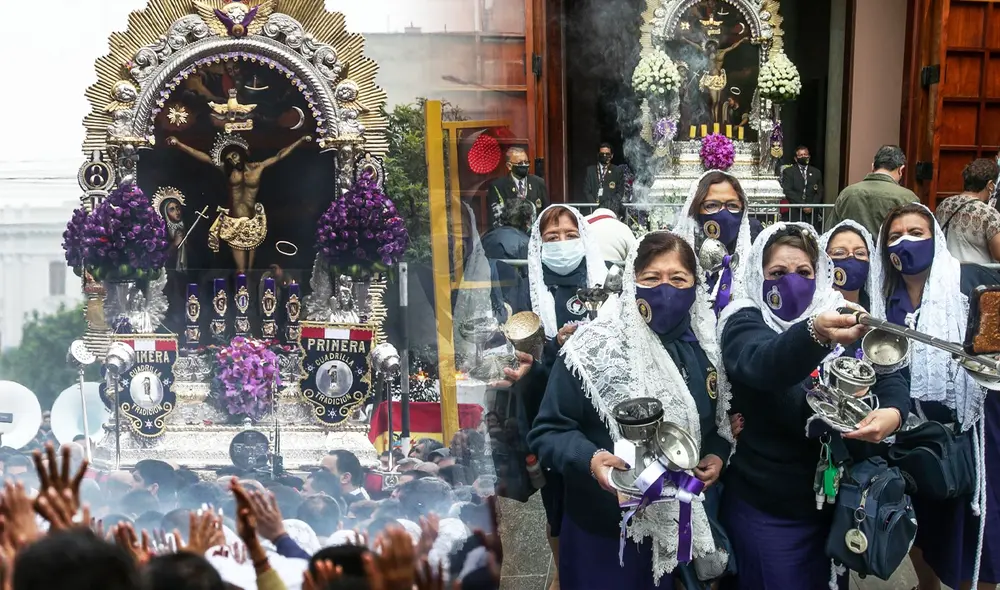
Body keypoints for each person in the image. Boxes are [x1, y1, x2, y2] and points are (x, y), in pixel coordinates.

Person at [528, 231, 734, 589]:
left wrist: (716, 454)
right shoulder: (591, 349)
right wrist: (591, 459)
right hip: (606, 537)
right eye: (651, 278)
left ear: (695, 287)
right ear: (631, 282)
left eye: (678, 279)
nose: (665, 289)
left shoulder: (704, 349)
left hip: (682, 532)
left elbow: (715, 425)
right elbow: (549, 431)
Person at [718, 222, 910, 589]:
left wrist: (893, 412)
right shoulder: (744, 319)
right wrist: (815, 333)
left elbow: (888, 370)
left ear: (819, 274)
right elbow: (765, 363)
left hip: (837, 504)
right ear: (757, 275)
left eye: (804, 272)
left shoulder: (839, 312)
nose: (792, 281)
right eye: (778, 273)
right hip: (772, 509)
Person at [876, 203, 998, 590]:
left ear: (936, 239)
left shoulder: (970, 281)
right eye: (895, 236)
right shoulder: (884, 299)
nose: (905, 242)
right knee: (922, 518)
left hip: (977, 425)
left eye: (916, 233)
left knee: (979, 520)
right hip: (914, 431)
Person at [507, 204, 607, 589]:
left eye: (570, 235)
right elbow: (517, 352)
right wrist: (553, 348)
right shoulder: (527, 288)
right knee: (555, 498)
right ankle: (563, 573)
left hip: (596, 407)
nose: (562, 243)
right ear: (539, 244)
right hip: (546, 406)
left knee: (595, 486)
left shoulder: (603, 280)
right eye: (552, 237)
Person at [166, 133, 313, 273]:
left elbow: (279, 156)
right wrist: (179, 144)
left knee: (250, 270)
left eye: (235, 155)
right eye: (229, 159)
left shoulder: (258, 167)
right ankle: (240, 289)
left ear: (242, 154)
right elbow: (205, 158)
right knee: (241, 270)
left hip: (253, 222)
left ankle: (249, 289)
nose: (233, 160)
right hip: (235, 223)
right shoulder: (227, 171)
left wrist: (300, 141)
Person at [673, 170, 762, 317]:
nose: (723, 213)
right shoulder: (678, 254)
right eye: (712, 205)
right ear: (696, 208)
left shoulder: (755, 249)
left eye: (732, 205)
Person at [827, 145, 919, 237]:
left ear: (872, 166)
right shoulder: (908, 197)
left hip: (852, 246)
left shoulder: (847, 193)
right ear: (901, 170)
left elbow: (829, 233)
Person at [934, 157, 1000, 263]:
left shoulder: (944, 204)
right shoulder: (989, 214)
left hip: (947, 268)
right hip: (976, 272)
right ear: (990, 185)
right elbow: (998, 254)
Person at [819, 220, 886, 320]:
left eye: (860, 253)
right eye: (839, 252)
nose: (851, 257)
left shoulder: (879, 309)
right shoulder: (812, 311)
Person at [485, 147, 549, 229]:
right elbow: (494, 219)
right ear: (509, 166)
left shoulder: (538, 182)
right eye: (520, 163)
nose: (524, 165)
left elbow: (546, 212)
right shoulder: (498, 186)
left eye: (526, 162)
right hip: (510, 233)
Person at [779, 146, 823, 224]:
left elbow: (819, 192)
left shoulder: (816, 172)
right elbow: (788, 190)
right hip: (796, 211)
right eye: (801, 155)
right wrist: (802, 205)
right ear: (796, 158)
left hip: (812, 213)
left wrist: (811, 206)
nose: (804, 157)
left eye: (805, 154)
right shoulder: (789, 172)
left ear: (809, 156)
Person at [582, 143, 625, 214]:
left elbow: (620, 192)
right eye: (602, 154)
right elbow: (586, 191)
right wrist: (596, 207)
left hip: (610, 210)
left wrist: (609, 204)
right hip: (593, 210)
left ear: (612, 156)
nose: (604, 156)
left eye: (607, 154)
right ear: (598, 155)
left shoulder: (617, 171)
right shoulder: (590, 170)